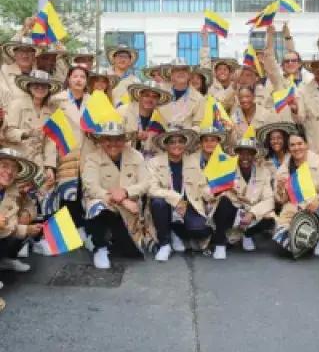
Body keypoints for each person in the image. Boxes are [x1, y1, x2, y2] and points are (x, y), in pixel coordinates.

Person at [83, 121, 150, 270]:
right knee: (96, 207)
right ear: (101, 140)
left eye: (118, 139)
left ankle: (111, 236)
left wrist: (126, 192)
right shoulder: (92, 158)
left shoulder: (136, 156)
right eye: (108, 139)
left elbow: (146, 183)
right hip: (106, 205)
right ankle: (99, 247)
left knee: (130, 251)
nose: (113, 143)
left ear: (125, 140)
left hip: (129, 212)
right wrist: (122, 200)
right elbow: (92, 188)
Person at [148, 127, 214, 261]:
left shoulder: (193, 162)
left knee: (202, 230)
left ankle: (176, 231)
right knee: (158, 202)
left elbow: (202, 186)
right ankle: (164, 243)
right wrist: (176, 199)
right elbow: (151, 188)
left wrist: (213, 194)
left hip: (188, 205)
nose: (176, 145)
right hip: (166, 204)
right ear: (166, 145)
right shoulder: (154, 162)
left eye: (180, 141)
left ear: (185, 144)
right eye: (172, 142)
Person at [274, 130, 319, 257]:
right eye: (292, 145)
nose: (296, 148)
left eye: (299, 143)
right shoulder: (284, 168)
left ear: (306, 144)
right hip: (293, 206)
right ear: (289, 148)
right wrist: (280, 189)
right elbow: (281, 200)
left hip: (316, 204)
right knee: (284, 245)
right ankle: (300, 241)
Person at [210, 138, 275, 257]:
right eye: (242, 153)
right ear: (237, 154)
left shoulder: (263, 171)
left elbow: (269, 199)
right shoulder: (227, 169)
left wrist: (252, 213)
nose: (245, 157)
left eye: (249, 153)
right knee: (223, 202)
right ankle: (220, 244)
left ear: (254, 155)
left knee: (270, 218)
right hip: (233, 210)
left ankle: (247, 234)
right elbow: (216, 191)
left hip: (251, 211)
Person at [53, 65, 94, 230]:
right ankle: (66, 231)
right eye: (75, 76)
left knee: (83, 190)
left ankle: (83, 228)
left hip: (87, 151)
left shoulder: (92, 100)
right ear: (68, 79)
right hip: (66, 152)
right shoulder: (57, 99)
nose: (78, 80)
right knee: (66, 191)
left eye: (82, 77)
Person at [4, 70, 60, 189]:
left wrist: (49, 166)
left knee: (40, 197)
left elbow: (50, 142)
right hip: (18, 162)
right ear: (29, 86)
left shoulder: (50, 112)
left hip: (38, 163)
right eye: (36, 85)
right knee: (15, 198)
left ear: (49, 88)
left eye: (44, 85)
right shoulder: (16, 105)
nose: (40, 88)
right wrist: (28, 133)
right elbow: (8, 133)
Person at [0, 149, 43, 286]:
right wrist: (25, 230)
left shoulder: (13, 189)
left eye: (14, 168)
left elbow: (31, 205)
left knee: (19, 223)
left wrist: (27, 215)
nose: (9, 172)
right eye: (4, 165)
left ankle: (4, 260)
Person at [119, 80, 172, 160]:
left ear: (158, 100)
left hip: (149, 163)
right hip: (123, 159)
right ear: (139, 96)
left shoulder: (161, 118)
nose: (150, 99)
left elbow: (163, 145)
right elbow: (112, 138)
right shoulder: (123, 111)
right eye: (146, 95)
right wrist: (134, 136)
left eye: (154, 97)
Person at [159, 58, 206, 127]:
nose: (181, 72)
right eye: (177, 70)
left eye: (184, 70)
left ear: (189, 75)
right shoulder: (160, 94)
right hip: (163, 135)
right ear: (171, 75)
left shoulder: (199, 98)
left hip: (186, 136)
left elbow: (198, 125)